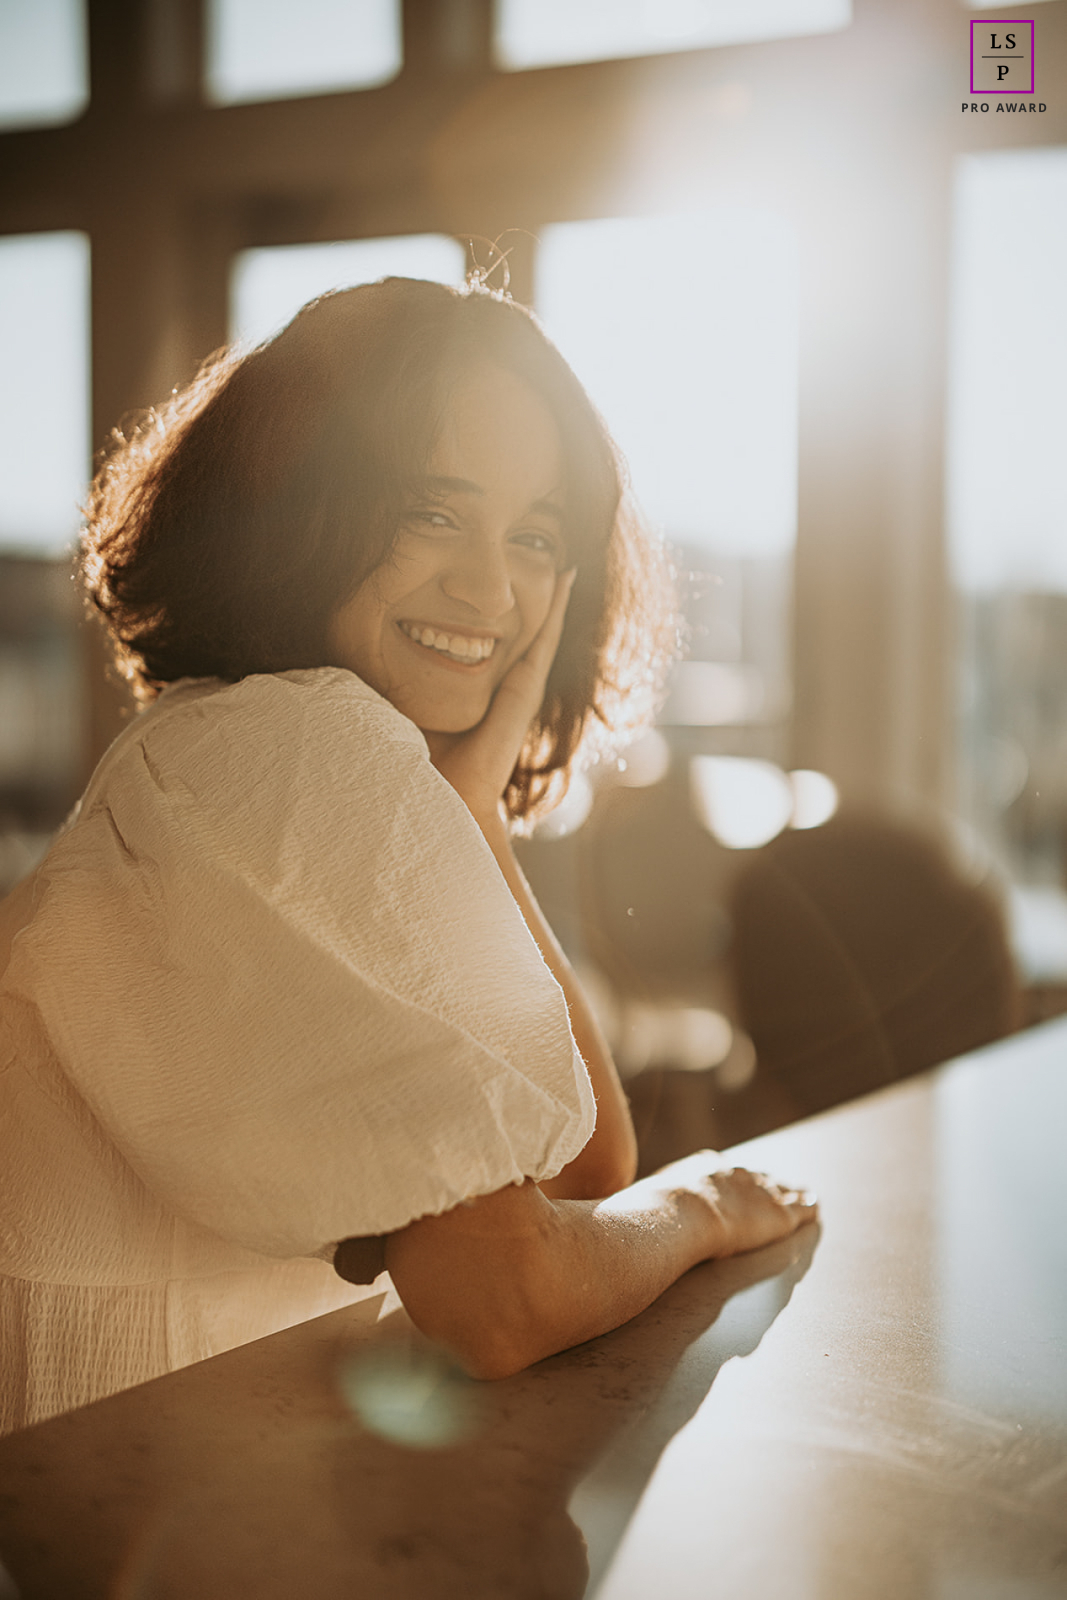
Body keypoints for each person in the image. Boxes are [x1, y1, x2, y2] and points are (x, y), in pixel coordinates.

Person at [0, 277, 816, 1435]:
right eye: (431, 512)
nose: (490, 589)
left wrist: (471, 809)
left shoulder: (227, 741)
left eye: (534, 536)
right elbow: (504, 1293)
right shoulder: (302, 751)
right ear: (293, 511)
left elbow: (582, 1173)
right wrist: (702, 1207)